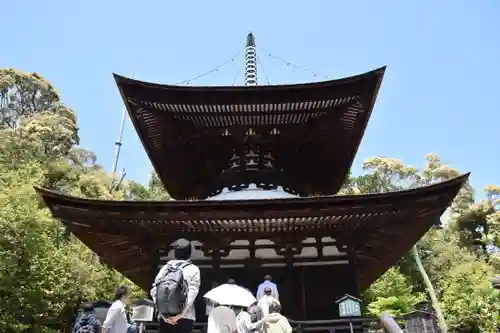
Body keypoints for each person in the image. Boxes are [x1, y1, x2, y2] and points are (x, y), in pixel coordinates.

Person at [151, 238, 201, 333]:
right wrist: (179, 316)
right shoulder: (193, 269)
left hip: (165, 317)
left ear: (175, 253)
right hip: (185, 318)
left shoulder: (165, 268)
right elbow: (192, 294)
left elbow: (154, 291)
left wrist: (163, 315)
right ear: (190, 253)